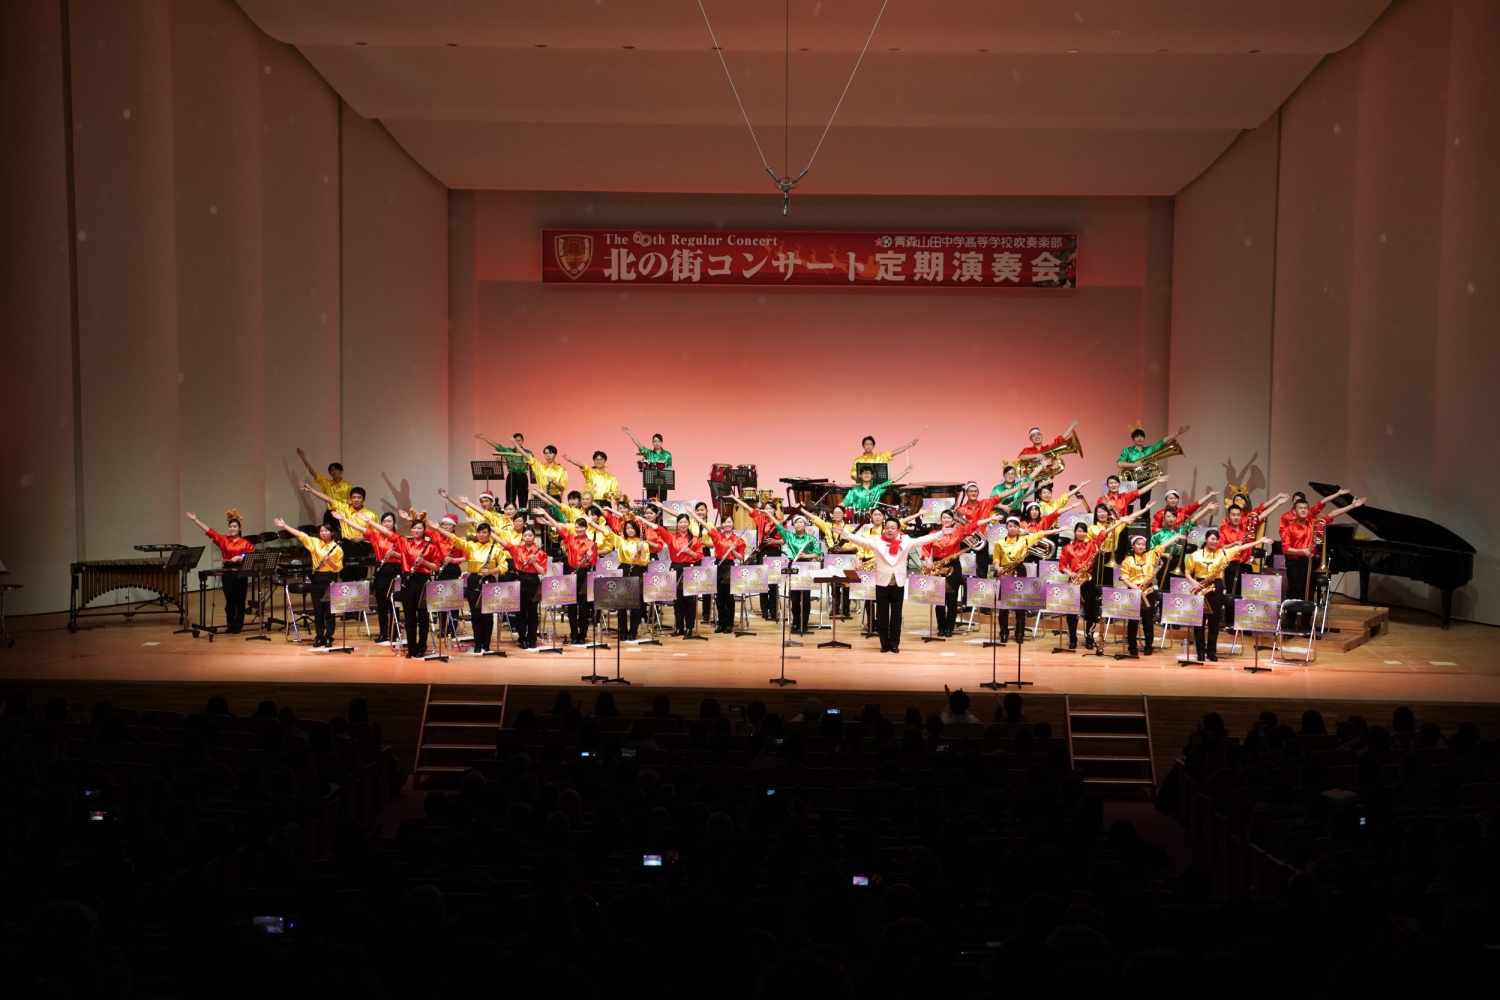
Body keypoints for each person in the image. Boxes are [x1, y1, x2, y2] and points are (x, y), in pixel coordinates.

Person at [839, 517, 944, 653]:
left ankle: (894, 643)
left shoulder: (905, 541)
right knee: (882, 616)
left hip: (898, 584)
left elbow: (922, 540)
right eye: (887, 527)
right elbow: (862, 541)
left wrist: (941, 533)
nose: (889, 530)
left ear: (898, 529)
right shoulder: (877, 541)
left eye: (893, 528)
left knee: (896, 616)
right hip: (882, 583)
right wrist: (845, 534)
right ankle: (884, 644)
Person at [357, 511, 442, 657]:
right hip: (407, 580)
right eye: (414, 528)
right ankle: (412, 648)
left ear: (424, 531)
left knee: (423, 617)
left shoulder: (431, 547)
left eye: (419, 528)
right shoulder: (404, 542)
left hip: (423, 581)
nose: (416, 530)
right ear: (411, 530)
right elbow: (387, 532)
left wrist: (424, 562)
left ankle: (422, 647)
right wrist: (370, 522)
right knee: (409, 617)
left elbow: (437, 567)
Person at [1183, 530, 1273, 662]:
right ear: (1206, 539)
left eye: (1216, 539)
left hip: (1216, 586)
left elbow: (1241, 548)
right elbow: (1187, 572)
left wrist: (1259, 541)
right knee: (1199, 622)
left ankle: (1211, 652)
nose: (1214, 541)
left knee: (1214, 621)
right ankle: (1200, 651)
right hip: (1200, 586)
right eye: (1212, 539)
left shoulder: (1223, 553)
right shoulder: (1195, 555)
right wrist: (1193, 582)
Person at [1279, 488, 1365, 623]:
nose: (1304, 510)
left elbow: (1332, 514)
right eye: (1300, 508)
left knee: (1309, 592)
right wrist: (1302, 551)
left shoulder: (1314, 523)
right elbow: (1286, 549)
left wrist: (1352, 506)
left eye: (1306, 508)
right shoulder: (1288, 528)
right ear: (1294, 511)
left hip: (1310, 561)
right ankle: (1290, 623)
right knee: (1295, 592)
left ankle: (1306, 623)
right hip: (1295, 563)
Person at [429, 518, 511, 655]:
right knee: (475, 615)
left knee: (488, 616)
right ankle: (478, 644)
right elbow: (455, 539)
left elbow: (504, 566)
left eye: (484, 532)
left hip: (488, 580)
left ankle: (486, 644)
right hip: (474, 580)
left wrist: (490, 571)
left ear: (489, 534)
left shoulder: (496, 548)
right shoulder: (471, 546)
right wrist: (438, 529)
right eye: (479, 532)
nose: (481, 535)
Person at [1215, 491, 1290, 626]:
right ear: (1228, 516)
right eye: (1233, 515)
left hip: (1246, 563)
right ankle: (1230, 622)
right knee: (1233, 592)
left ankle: (1244, 622)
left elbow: (1261, 515)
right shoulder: (1224, 530)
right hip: (1232, 564)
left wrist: (1278, 503)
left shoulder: (1246, 525)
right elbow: (1221, 548)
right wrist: (1234, 544)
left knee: (1247, 593)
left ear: (1241, 515)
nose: (1236, 517)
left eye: (1238, 515)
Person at [919, 510, 996, 637]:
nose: (946, 520)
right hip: (937, 565)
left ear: (953, 520)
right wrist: (927, 560)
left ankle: (949, 627)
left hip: (953, 566)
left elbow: (974, 524)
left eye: (949, 518)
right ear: (941, 520)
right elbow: (925, 548)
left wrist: (989, 519)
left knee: (952, 599)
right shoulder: (933, 534)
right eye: (944, 517)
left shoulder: (958, 532)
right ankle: (941, 627)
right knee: (939, 599)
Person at [990, 517, 1066, 644]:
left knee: (1020, 604)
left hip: (1020, 569)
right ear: (1006, 527)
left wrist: (1059, 529)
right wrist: (998, 568)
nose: (1013, 528)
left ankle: (1020, 632)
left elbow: (1041, 533)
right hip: (1006, 571)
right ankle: (1003, 632)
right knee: (1004, 605)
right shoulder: (999, 542)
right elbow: (996, 558)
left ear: (1018, 528)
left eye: (1015, 526)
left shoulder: (1025, 539)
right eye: (1010, 526)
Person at [273, 517, 344, 649]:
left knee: (329, 611)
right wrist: (284, 526)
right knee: (318, 610)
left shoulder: (337, 548)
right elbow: (300, 535)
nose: (323, 533)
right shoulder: (315, 542)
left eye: (326, 531)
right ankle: (319, 636)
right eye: (321, 531)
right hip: (316, 578)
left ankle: (329, 636)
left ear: (332, 533)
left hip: (329, 578)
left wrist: (329, 561)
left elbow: (338, 568)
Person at [1114, 528, 1187, 657]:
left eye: (1143, 544)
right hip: (1134, 591)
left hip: (1148, 591)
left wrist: (1175, 537)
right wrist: (1134, 587)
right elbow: (1124, 577)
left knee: (1148, 621)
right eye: (1138, 544)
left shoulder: (1150, 555)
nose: (1141, 546)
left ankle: (1149, 645)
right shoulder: (1127, 560)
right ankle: (1132, 647)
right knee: (1133, 622)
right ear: (1133, 546)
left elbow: (1162, 546)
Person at [532, 510, 599, 644]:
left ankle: (582, 635)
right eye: (577, 527)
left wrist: (590, 555)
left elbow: (592, 563)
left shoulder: (592, 544)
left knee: (584, 607)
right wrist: (546, 514)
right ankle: (574, 634)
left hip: (584, 574)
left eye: (581, 527)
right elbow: (557, 526)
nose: (579, 529)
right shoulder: (570, 539)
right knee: (571, 606)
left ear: (586, 528)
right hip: (571, 573)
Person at [640, 503, 708, 635]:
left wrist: (689, 552)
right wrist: (643, 520)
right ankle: (679, 627)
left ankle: (689, 628)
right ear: (677, 524)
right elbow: (658, 528)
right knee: (678, 601)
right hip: (675, 568)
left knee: (690, 600)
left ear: (689, 524)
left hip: (690, 568)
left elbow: (699, 556)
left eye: (685, 522)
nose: (683, 524)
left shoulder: (695, 540)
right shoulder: (671, 537)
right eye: (680, 522)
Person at [185, 509, 256, 633]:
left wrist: (240, 557)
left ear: (239, 528)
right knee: (229, 601)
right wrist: (195, 520)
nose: (232, 529)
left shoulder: (246, 543)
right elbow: (210, 532)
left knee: (240, 600)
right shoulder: (224, 540)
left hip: (241, 572)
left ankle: (238, 625)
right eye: (230, 527)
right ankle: (230, 624)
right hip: (227, 571)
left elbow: (252, 557)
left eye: (235, 527)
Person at [758, 508, 824, 634]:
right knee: (794, 597)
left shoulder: (811, 539)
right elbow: (779, 526)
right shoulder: (789, 536)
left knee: (805, 598)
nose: (798, 524)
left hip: (806, 567)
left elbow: (817, 553)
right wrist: (768, 514)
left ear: (805, 524)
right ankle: (795, 623)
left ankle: (804, 624)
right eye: (796, 522)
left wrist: (806, 556)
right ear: (793, 525)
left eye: (801, 522)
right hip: (793, 566)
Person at [685, 505, 748, 633]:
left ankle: (729, 624)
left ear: (733, 523)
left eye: (729, 522)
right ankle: (721, 623)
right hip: (718, 565)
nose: (727, 524)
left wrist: (733, 550)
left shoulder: (739, 540)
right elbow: (704, 524)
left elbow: (741, 557)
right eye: (724, 522)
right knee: (719, 598)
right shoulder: (717, 536)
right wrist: (692, 513)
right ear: (722, 525)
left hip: (730, 567)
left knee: (729, 598)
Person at [299, 479, 378, 581]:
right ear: (350, 499)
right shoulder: (343, 508)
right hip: (346, 545)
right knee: (346, 574)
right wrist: (311, 490)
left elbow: (376, 533)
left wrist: (362, 538)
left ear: (363, 499)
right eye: (354, 497)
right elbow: (328, 499)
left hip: (362, 546)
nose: (356, 500)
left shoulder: (371, 515)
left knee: (360, 574)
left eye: (359, 497)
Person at [594, 515, 651, 640]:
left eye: (632, 528)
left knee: (636, 604)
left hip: (637, 570)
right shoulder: (620, 540)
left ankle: (633, 631)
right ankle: (622, 631)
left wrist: (641, 550)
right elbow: (607, 533)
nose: (630, 530)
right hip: (623, 569)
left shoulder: (643, 543)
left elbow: (645, 561)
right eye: (627, 528)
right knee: (622, 604)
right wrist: (592, 523)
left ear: (636, 529)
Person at [500, 523, 549, 648]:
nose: (527, 537)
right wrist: (490, 532)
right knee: (520, 611)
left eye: (530, 535)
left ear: (534, 537)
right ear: (522, 537)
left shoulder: (541, 553)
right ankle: (522, 637)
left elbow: (543, 572)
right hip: (520, 580)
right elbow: (504, 543)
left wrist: (534, 562)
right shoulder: (517, 549)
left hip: (533, 581)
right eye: (525, 535)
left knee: (532, 612)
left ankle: (532, 638)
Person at [1117, 423, 1190, 503]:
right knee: (1127, 504)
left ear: (1144, 438)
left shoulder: (1149, 449)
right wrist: (1135, 465)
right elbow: (1119, 463)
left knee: (1145, 504)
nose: (1139, 438)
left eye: (1141, 436)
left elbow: (1162, 442)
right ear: (1133, 439)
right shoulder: (1127, 451)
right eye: (1137, 437)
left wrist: (1177, 433)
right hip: (1130, 478)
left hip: (1146, 478)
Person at [1057, 522, 1102, 649]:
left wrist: (1119, 522)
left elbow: (1103, 534)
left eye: (1084, 531)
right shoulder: (1067, 547)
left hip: (1088, 580)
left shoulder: (1091, 544)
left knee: (1090, 611)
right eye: (1079, 531)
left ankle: (1089, 638)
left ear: (1086, 533)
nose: (1081, 534)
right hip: (1074, 580)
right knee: (1072, 611)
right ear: (1075, 532)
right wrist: (1069, 572)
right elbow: (1061, 565)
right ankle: (1073, 638)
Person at [296, 447, 350, 532]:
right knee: (327, 534)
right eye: (331, 470)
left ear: (341, 471)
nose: (334, 472)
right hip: (329, 513)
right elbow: (312, 472)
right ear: (329, 473)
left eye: (336, 470)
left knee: (343, 535)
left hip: (342, 513)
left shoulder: (348, 486)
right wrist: (303, 458)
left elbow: (351, 503)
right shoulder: (326, 483)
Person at [475, 431, 533, 508]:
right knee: (510, 501)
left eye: (519, 440)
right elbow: (497, 446)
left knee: (523, 501)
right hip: (512, 476)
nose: (517, 442)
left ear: (522, 441)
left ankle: (522, 515)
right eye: (515, 441)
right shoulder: (509, 451)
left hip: (522, 477)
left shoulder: (528, 452)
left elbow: (533, 463)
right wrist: (484, 438)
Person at [841, 462, 910, 515]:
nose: (866, 475)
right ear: (860, 475)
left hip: (874, 519)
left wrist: (905, 471)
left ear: (872, 476)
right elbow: (844, 502)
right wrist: (838, 509)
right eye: (864, 473)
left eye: (868, 473)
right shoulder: (854, 491)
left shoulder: (877, 488)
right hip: (857, 519)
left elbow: (891, 481)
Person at [624, 427, 672, 500]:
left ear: (662, 442)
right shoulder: (649, 453)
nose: (657, 443)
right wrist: (630, 433)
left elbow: (669, 467)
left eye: (659, 441)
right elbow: (639, 444)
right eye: (655, 441)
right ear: (652, 442)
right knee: (650, 502)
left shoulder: (667, 455)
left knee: (662, 503)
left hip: (662, 482)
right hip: (650, 481)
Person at [849, 432, 920, 479]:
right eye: (866, 444)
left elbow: (894, 452)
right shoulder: (857, 460)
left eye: (870, 444)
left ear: (873, 446)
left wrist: (909, 445)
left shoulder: (880, 456)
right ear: (863, 446)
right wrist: (865, 480)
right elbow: (853, 475)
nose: (868, 446)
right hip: (863, 489)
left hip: (879, 488)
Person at [1096, 472, 1166, 519]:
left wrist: (1156, 481)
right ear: (1107, 486)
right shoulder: (1102, 499)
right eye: (1111, 483)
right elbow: (1098, 515)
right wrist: (1107, 507)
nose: (1113, 485)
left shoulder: (1125, 497)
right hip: (1109, 528)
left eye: (1115, 483)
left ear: (1119, 484)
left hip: (1123, 526)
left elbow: (1141, 491)